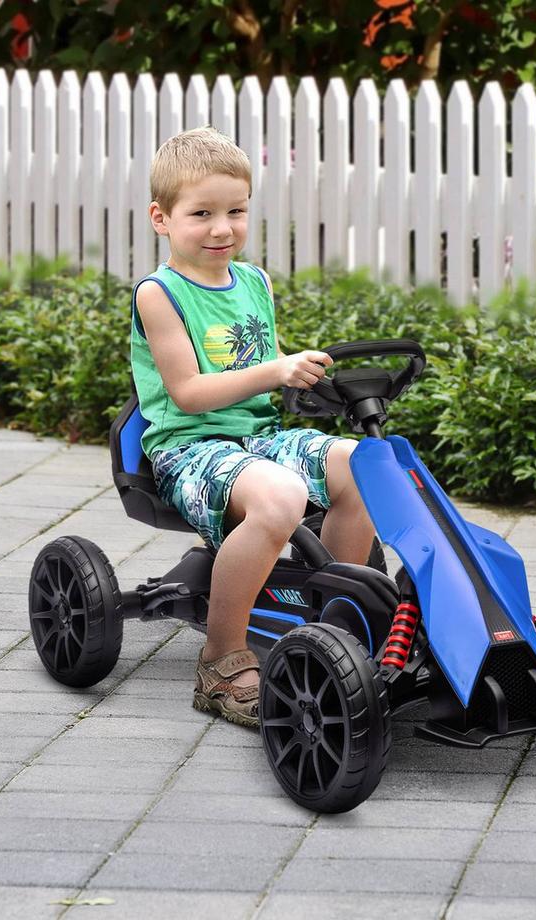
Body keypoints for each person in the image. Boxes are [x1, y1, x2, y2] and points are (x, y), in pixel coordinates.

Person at [130, 126, 377, 729]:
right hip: (190, 448)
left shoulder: (255, 282)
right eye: (202, 214)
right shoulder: (159, 294)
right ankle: (221, 662)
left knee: (368, 466)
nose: (222, 229)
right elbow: (189, 393)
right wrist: (276, 369)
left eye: (236, 212)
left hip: (259, 439)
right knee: (282, 496)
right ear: (162, 218)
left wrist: (308, 379)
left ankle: (335, 628)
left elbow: (263, 367)